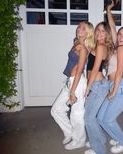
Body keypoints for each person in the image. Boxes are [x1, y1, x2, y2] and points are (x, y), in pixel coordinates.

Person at [51, 21, 95, 150]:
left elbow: (79, 70)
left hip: (77, 82)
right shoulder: (76, 42)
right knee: (56, 109)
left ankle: (79, 141)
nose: (79, 29)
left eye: (83, 28)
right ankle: (70, 132)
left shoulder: (83, 48)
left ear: (88, 33)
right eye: (79, 26)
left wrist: (72, 92)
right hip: (70, 81)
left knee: (76, 114)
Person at [97, 0, 123, 154]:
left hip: (119, 88)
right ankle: (120, 136)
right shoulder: (117, 46)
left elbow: (119, 71)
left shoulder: (122, 49)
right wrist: (108, 10)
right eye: (120, 34)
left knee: (107, 119)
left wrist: (113, 90)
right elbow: (112, 26)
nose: (120, 36)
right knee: (100, 117)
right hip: (114, 86)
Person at [84, 21, 113, 154]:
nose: (100, 33)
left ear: (107, 34)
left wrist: (88, 87)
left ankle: (99, 150)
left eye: (103, 31)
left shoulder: (101, 46)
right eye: (98, 30)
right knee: (91, 117)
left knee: (89, 118)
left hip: (97, 86)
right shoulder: (97, 45)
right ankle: (100, 139)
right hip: (97, 85)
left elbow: (95, 69)